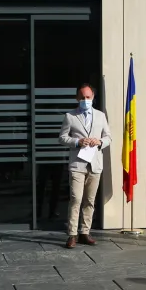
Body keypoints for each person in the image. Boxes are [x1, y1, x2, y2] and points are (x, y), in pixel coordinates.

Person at [58, 83, 111, 249]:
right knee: (76, 199)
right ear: (77, 98)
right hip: (77, 165)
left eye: (88, 97)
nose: (85, 100)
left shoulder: (100, 116)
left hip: (95, 164)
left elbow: (108, 137)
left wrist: (99, 141)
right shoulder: (70, 116)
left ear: (93, 97)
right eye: (82, 97)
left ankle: (84, 232)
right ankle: (72, 234)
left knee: (90, 200)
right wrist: (77, 142)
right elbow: (62, 137)